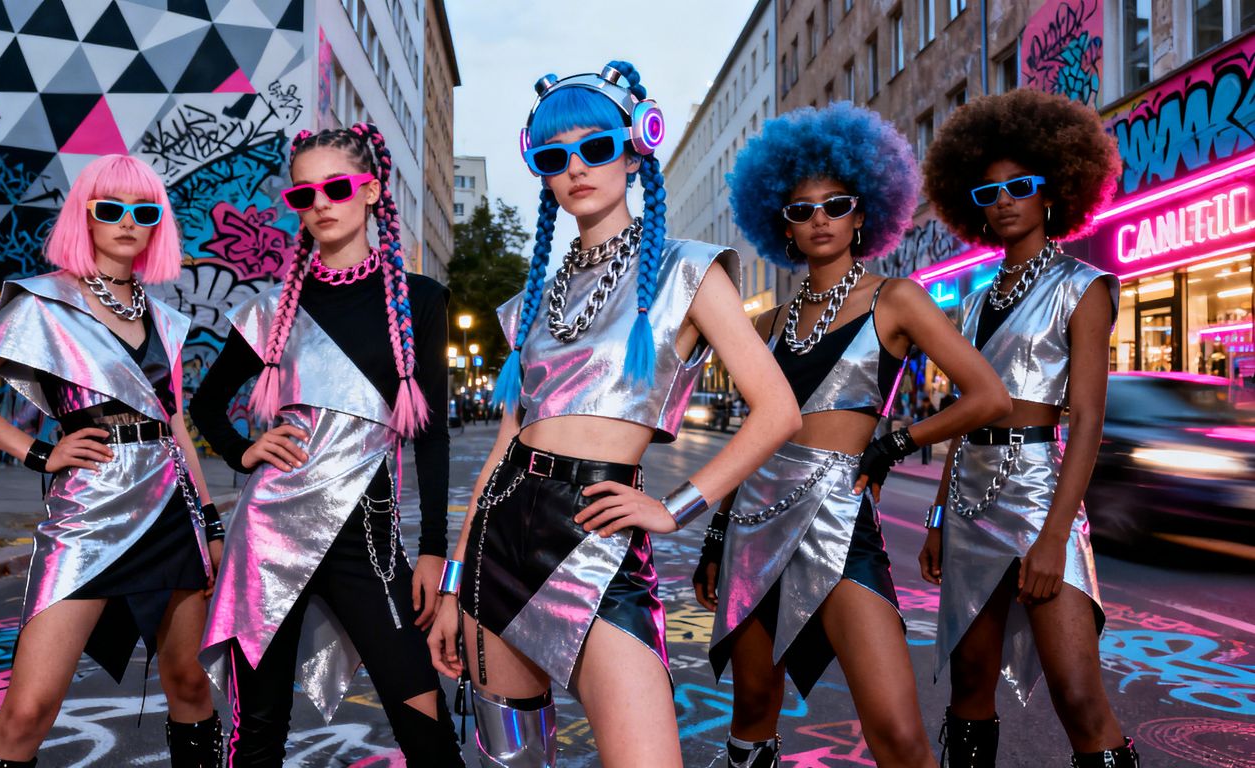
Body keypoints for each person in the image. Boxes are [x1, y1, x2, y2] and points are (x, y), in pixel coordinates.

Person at [426, 61, 800, 768]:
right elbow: (505, 447)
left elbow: (778, 410)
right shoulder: (531, 304)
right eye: (553, 156)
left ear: (635, 151)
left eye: (596, 147)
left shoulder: (687, 272)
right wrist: (453, 585)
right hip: (499, 545)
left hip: (599, 536)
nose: (575, 167)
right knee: (514, 764)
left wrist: (677, 507)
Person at [692, 104, 1010, 768]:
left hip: (840, 521)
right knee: (752, 712)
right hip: (753, 524)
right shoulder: (767, 325)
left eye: (836, 205)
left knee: (896, 733)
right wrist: (718, 532)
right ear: (782, 223)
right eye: (802, 210)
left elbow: (989, 397)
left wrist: (896, 444)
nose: (820, 220)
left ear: (862, 214)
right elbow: (754, 435)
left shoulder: (898, 300)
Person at [0, 155, 224, 767]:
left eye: (144, 211)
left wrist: (212, 524)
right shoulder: (45, 303)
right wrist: (40, 452)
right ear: (85, 217)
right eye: (110, 208)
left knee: (191, 685)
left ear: (158, 224)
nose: (127, 221)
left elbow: (173, 424)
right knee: (28, 710)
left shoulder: (165, 319)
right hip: (88, 513)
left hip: (172, 513)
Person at [189, 124, 463, 766]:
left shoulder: (420, 300)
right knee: (257, 734)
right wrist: (243, 451)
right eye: (302, 194)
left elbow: (431, 436)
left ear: (371, 191)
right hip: (267, 538)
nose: (319, 203)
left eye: (336, 188)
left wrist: (432, 550)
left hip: (368, 540)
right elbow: (205, 403)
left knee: (425, 724)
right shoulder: (274, 308)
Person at [920, 89, 1138, 767]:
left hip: (1041, 494)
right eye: (988, 193)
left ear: (1054, 191)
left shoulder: (1083, 286)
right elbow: (966, 415)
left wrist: (1053, 536)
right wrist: (937, 515)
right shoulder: (975, 301)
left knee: (1078, 695)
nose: (1005, 201)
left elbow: (1089, 419)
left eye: (1020, 186)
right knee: (968, 686)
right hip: (969, 503)